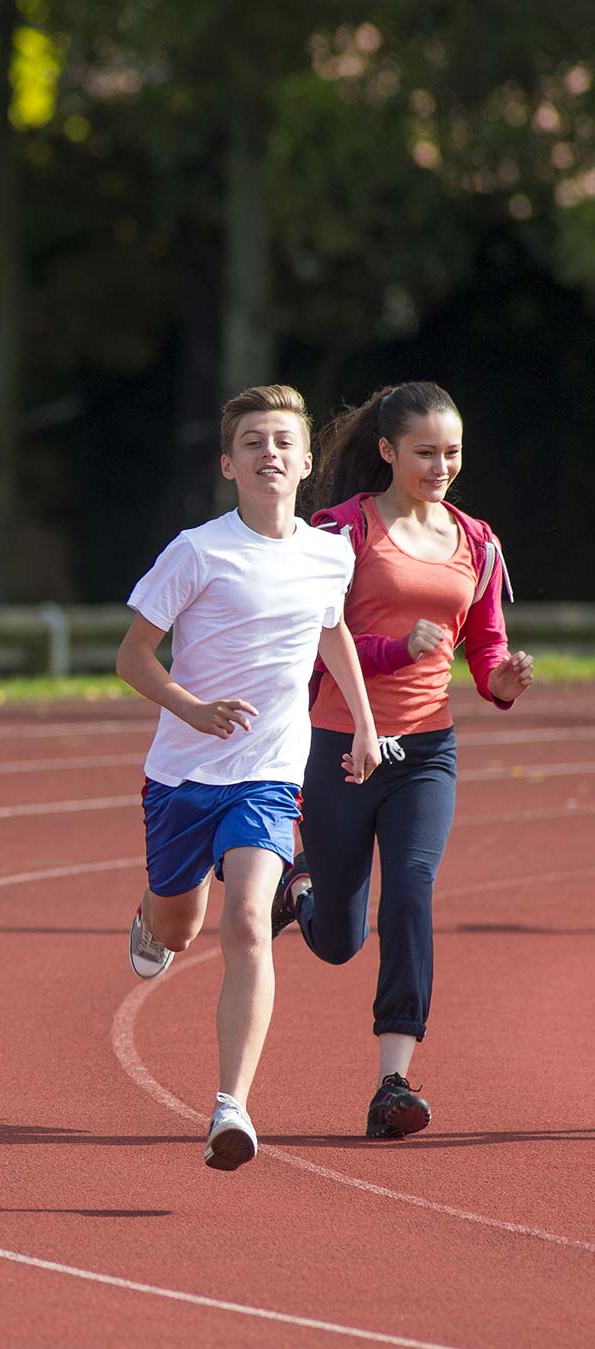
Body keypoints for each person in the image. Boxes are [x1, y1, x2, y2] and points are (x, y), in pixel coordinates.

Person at [116, 383, 381, 1171]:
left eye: (282, 442)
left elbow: (331, 632)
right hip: (181, 775)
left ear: (306, 462)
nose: (270, 454)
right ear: (229, 464)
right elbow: (133, 657)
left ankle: (230, 1106)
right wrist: (190, 709)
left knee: (245, 922)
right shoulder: (196, 552)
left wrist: (365, 723)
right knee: (179, 928)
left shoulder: (331, 553)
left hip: (267, 773)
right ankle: (150, 916)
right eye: (254, 443)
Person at [270, 382, 534, 1139]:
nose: (442, 465)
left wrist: (500, 681)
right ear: (387, 452)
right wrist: (394, 648)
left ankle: (394, 1081)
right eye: (426, 452)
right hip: (341, 746)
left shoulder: (476, 541)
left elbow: (482, 644)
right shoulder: (339, 533)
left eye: (452, 452)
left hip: (426, 753)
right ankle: (305, 889)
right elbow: (313, 648)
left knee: (411, 895)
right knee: (338, 942)